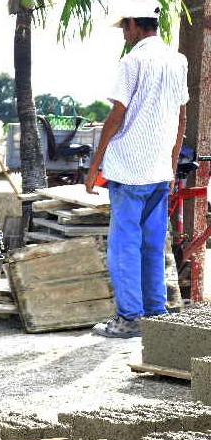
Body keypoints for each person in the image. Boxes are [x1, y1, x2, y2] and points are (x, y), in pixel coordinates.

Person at [85, 0, 188, 338]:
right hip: (159, 170)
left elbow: (117, 116)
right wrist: (172, 161)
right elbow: (181, 116)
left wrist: (95, 163)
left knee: (124, 245)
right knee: (152, 244)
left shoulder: (132, 62)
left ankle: (129, 318)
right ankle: (155, 315)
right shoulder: (177, 61)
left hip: (129, 169)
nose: (124, 35)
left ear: (133, 24)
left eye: (124, 28)